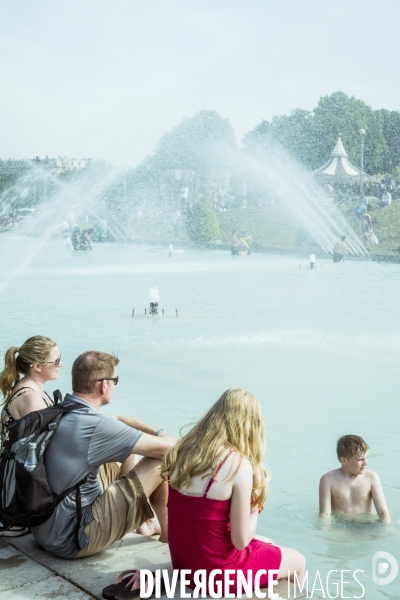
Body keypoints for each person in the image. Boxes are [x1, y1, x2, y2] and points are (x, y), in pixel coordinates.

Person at [30, 351, 176, 559]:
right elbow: (168, 451)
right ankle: (167, 534)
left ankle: (147, 521)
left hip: (45, 532)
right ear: (104, 385)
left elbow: (120, 420)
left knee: (128, 446)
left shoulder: (61, 412)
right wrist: (167, 438)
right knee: (159, 461)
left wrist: (158, 433)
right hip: (73, 540)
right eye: (115, 380)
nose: (115, 385)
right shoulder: (95, 426)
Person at [161, 388, 306, 595]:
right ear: (250, 424)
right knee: (298, 561)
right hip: (218, 576)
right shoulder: (237, 464)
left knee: (269, 543)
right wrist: (254, 508)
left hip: (185, 567)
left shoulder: (183, 451)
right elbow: (241, 542)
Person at [0, 335, 62, 537]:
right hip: (23, 484)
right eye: (56, 361)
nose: (60, 365)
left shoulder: (33, 390)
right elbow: (43, 448)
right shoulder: (31, 397)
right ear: (37, 366)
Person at [319, 435, 390, 524]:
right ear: (344, 460)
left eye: (367, 458)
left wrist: (385, 528)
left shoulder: (371, 477)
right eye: (360, 459)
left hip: (366, 524)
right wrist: (327, 531)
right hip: (341, 525)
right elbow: (325, 514)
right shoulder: (328, 480)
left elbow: (383, 512)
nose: (365, 463)